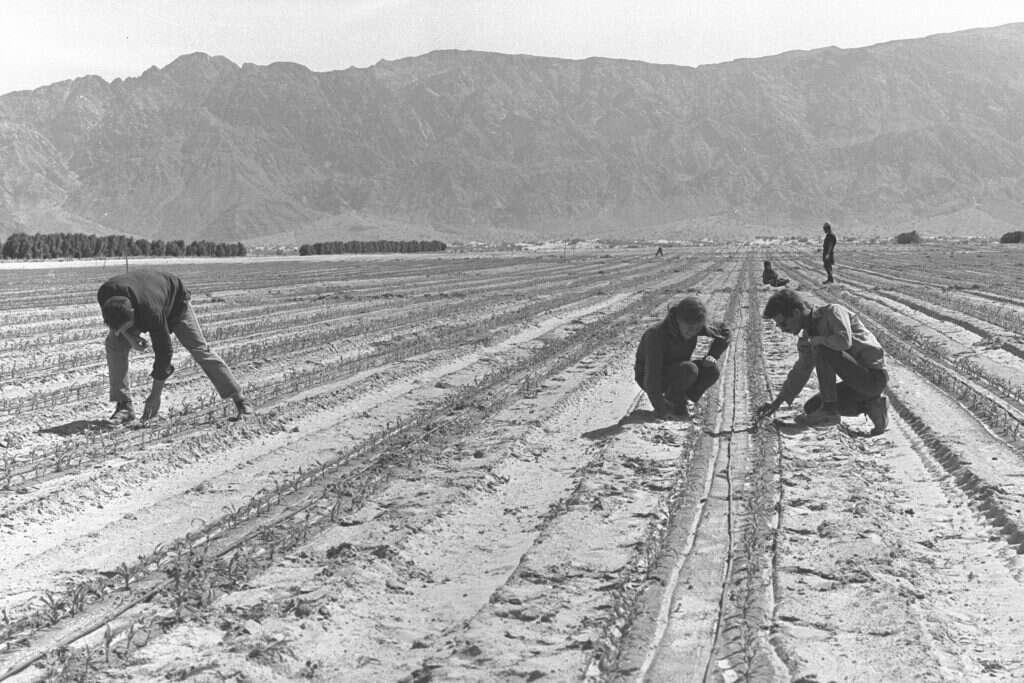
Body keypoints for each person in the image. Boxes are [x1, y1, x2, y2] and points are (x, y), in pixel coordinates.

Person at [98, 269, 254, 423]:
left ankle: (240, 400)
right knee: (114, 343)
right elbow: (116, 328)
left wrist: (155, 396)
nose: (122, 331)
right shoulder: (105, 294)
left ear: (133, 313)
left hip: (175, 304)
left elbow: (164, 353)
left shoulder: (151, 311)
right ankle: (124, 406)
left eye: (127, 326)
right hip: (146, 296)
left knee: (199, 349)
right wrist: (130, 337)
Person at [755, 288, 888, 435]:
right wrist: (776, 404)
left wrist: (818, 340)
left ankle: (830, 409)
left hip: (873, 378)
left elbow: (844, 342)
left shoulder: (833, 312)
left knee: (822, 349)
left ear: (796, 313)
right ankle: (872, 405)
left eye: (783, 324)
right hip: (855, 386)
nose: (782, 330)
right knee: (812, 407)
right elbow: (801, 371)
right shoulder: (808, 337)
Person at [634, 296, 731, 419]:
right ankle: (671, 402)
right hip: (650, 376)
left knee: (712, 371)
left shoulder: (701, 329)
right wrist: (661, 410)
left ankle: (682, 400)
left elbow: (725, 333)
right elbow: (652, 377)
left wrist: (713, 355)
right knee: (689, 369)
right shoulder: (656, 335)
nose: (693, 332)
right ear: (678, 320)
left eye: (697, 328)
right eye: (689, 328)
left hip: (680, 370)